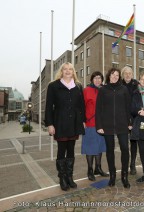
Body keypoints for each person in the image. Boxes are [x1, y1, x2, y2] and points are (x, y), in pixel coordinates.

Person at [45, 62, 85, 191]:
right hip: (60, 122)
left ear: (74, 71)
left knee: (71, 149)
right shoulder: (53, 86)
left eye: (70, 69)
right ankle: (62, 178)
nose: (68, 71)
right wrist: (50, 124)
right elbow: (48, 107)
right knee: (61, 150)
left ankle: (69, 177)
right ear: (61, 71)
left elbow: (81, 106)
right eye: (65, 69)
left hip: (74, 122)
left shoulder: (78, 86)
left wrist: (82, 121)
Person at [95, 68, 132, 188]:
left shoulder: (124, 89)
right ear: (108, 76)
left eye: (117, 75)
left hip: (122, 125)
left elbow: (128, 107)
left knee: (125, 149)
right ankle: (112, 175)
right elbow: (98, 109)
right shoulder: (103, 90)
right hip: (107, 125)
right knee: (110, 151)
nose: (115, 77)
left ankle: (124, 176)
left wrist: (130, 121)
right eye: (113, 75)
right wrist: (99, 125)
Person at [82, 71, 109, 181]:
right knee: (90, 148)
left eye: (99, 78)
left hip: (102, 124)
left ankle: (98, 168)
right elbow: (82, 107)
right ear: (92, 79)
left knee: (100, 147)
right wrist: (83, 120)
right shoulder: (86, 90)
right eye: (95, 78)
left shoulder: (104, 90)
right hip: (90, 123)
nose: (98, 80)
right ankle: (90, 170)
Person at [121, 66, 139, 175]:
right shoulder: (119, 85)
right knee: (123, 143)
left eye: (129, 73)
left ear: (132, 74)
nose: (128, 75)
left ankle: (132, 164)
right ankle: (125, 163)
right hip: (122, 118)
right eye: (125, 73)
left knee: (133, 142)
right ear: (123, 75)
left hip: (135, 117)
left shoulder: (136, 84)